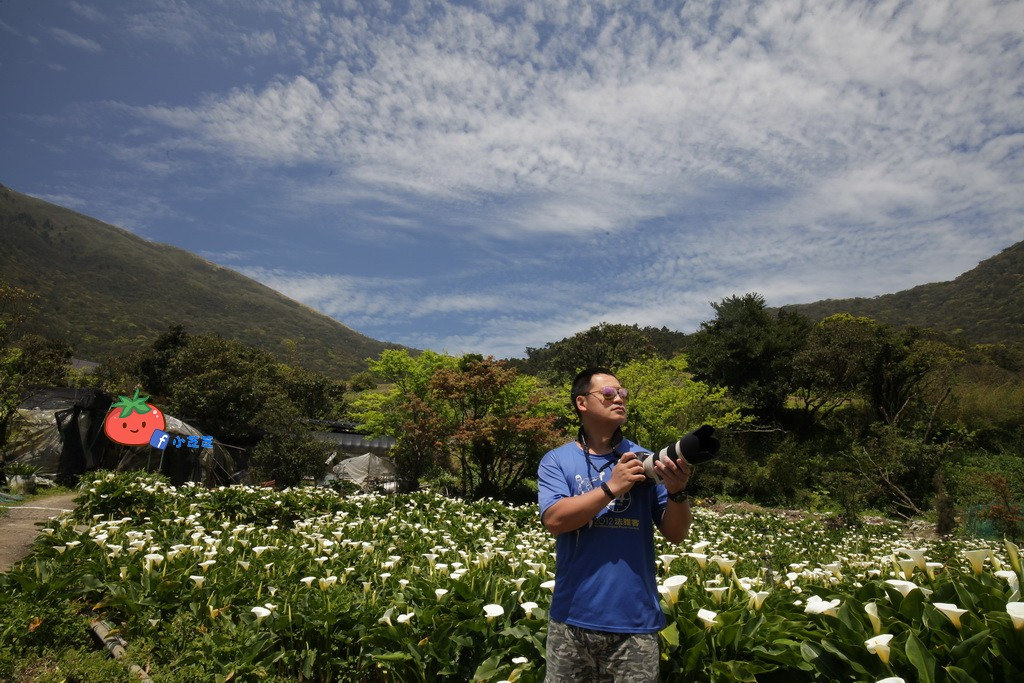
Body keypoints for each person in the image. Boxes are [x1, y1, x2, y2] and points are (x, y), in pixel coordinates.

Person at [537, 367, 693, 682]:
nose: (619, 398)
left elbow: (676, 534)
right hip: (572, 621)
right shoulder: (556, 461)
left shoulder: (646, 460)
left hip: (635, 623)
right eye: (608, 393)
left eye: (623, 393)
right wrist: (612, 487)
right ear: (582, 402)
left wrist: (678, 492)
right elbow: (554, 520)